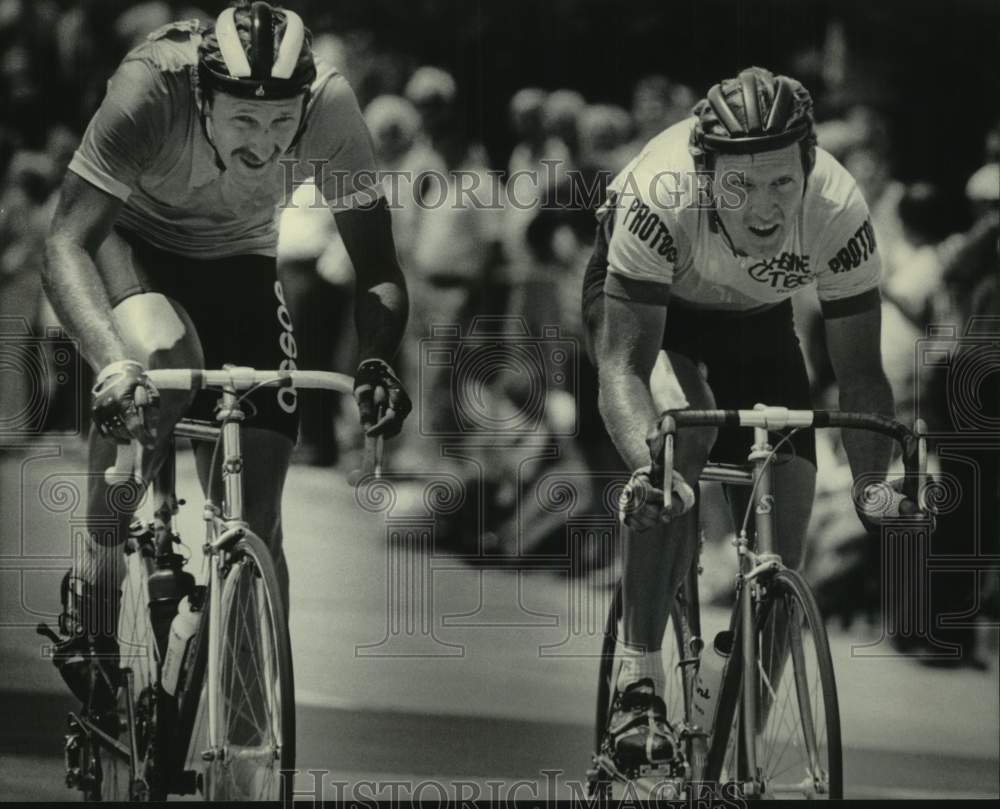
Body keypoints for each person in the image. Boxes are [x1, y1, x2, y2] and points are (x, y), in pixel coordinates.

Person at [42, 1, 411, 712]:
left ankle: (245, 733)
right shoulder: (151, 86)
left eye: (280, 124)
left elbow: (379, 267)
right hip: (135, 242)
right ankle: (95, 584)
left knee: (258, 518)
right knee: (161, 353)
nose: (263, 144)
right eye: (242, 118)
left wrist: (375, 359)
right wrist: (112, 366)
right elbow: (64, 242)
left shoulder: (331, 106)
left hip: (241, 262)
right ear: (202, 97)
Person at [582, 66, 909, 770]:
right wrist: (655, 470)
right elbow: (622, 369)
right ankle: (637, 681)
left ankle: (732, 736)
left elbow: (859, 376)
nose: (764, 208)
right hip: (651, 312)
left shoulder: (839, 206)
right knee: (683, 433)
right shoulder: (659, 192)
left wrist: (874, 489)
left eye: (781, 183)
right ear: (704, 173)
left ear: (809, 164)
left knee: (784, 552)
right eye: (740, 185)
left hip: (758, 323)